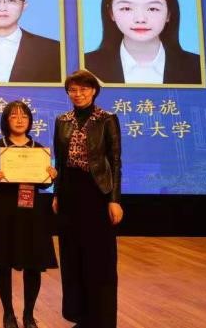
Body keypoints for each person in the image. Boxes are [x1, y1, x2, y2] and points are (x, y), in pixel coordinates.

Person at [52, 70, 123, 328]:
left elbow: (115, 160)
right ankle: (80, 317)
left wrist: (114, 199)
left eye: (83, 89)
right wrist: (57, 193)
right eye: (73, 90)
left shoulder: (107, 119)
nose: (78, 94)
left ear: (93, 91)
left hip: (97, 193)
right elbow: (60, 161)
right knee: (73, 257)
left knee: (99, 259)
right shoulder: (62, 120)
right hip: (69, 192)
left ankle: (101, 320)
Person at [0, 101, 58, 328]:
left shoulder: (39, 148)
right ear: (6, 121)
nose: (20, 120)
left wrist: (51, 176)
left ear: (30, 121)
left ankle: (28, 315)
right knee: (3, 262)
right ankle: (8, 313)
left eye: (24, 116)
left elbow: (44, 185)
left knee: (33, 263)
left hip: (33, 212)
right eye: (14, 116)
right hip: (4, 210)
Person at [84, 0, 201, 84]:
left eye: (152, 9)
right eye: (126, 8)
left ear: (168, 14)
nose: (140, 19)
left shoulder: (198, 68)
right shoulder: (86, 65)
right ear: (111, 13)